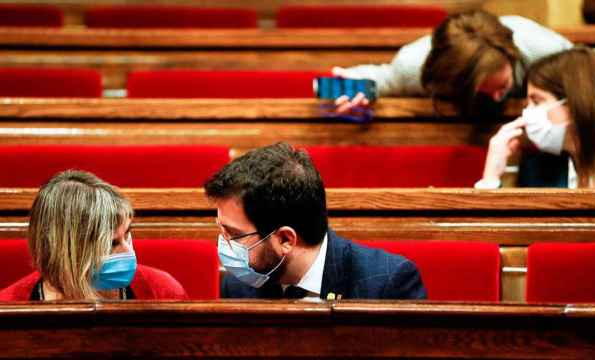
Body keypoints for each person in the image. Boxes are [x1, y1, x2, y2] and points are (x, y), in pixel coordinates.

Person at [205, 142, 426, 299]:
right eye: (222, 230)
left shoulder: (387, 283)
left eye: (233, 234)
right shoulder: (238, 287)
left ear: (285, 239)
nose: (224, 245)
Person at [334, 10, 595, 117]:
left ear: (513, 56)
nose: (497, 98)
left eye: (503, 86)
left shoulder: (540, 48)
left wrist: (583, 92)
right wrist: (357, 87)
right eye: (483, 92)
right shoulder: (416, 64)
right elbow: (385, 78)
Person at [0, 170, 188, 301]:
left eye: (128, 235)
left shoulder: (161, 291)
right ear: (65, 251)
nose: (128, 251)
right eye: (110, 244)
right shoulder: (9, 307)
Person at [475, 47, 595, 189]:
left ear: (575, 103)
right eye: (528, 103)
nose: (527, 114)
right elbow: (518, 225)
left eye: (537, 101)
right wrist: (491, 177)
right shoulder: (536, 167)